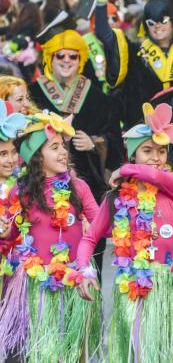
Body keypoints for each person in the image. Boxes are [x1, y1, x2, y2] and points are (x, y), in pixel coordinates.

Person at [76, 102, 173, 361]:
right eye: (147, 150)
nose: (156, 158)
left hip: (167, 285)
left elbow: (164, 178)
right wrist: (84, 268)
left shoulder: (171, 187)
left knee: (167, 353)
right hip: (132, 287)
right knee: (139, 352)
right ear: (133, 154)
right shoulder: (116, 198)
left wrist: (125, 169)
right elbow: (90, 237)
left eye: (162, 152)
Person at [0, 112, 101, 362]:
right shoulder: (22, 191)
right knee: (42, 350)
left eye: (64, 146)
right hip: (39, 281)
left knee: (76, 350)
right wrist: (4, 230)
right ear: (36, 157)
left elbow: (101, 225)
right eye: (54, 147)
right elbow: (12, 231)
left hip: (74, 276)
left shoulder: (79, 187)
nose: (63, 152)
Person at [29, 18, 124, 236]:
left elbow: (114, 138)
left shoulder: (98, 97)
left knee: (90, 242)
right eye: (60, 55)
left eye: (73, 56)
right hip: (42, 184)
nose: (66, 60)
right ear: (50, 58)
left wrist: (96, 143)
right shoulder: (32, 94)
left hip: (87, 183)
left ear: (80, 60)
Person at [93, 0, 173, 129]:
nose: (157, 26)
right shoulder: (135, 54)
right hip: (145, 129)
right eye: (151, 22)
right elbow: (104, 33)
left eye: (163, 21)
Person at [0, 102, 27, 293]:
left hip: (18, 268)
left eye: (14, 152)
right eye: (3, 154)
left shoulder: (25, 185)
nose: (11, 160)